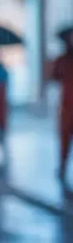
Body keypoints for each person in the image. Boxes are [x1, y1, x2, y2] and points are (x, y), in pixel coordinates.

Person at [50, 26, 73, 187]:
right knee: (64, 141)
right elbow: (53, 76)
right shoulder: (62, 59)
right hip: (67, 107)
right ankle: (63, 169)